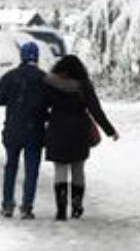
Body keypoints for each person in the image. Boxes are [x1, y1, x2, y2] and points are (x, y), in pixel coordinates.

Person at [42, 54, 118, 220]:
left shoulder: (49, 84)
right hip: (79, 130)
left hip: (57, 129)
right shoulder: (84, 86)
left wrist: (46, 120)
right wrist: (110, 131)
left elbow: (42, 107)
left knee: (60, 169)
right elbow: (96, 110)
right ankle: (77, 206)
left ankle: (61, 209)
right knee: (78, 169)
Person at [0, 40, 48, 219]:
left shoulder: (10, 76)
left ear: (22, 57)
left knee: (11, 166)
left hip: (13, 129)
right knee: (32, 169)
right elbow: (51, 102)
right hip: (35, 131)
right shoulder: (43, 78)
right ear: (37, 58)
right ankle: (27, 206)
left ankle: (8, 203)